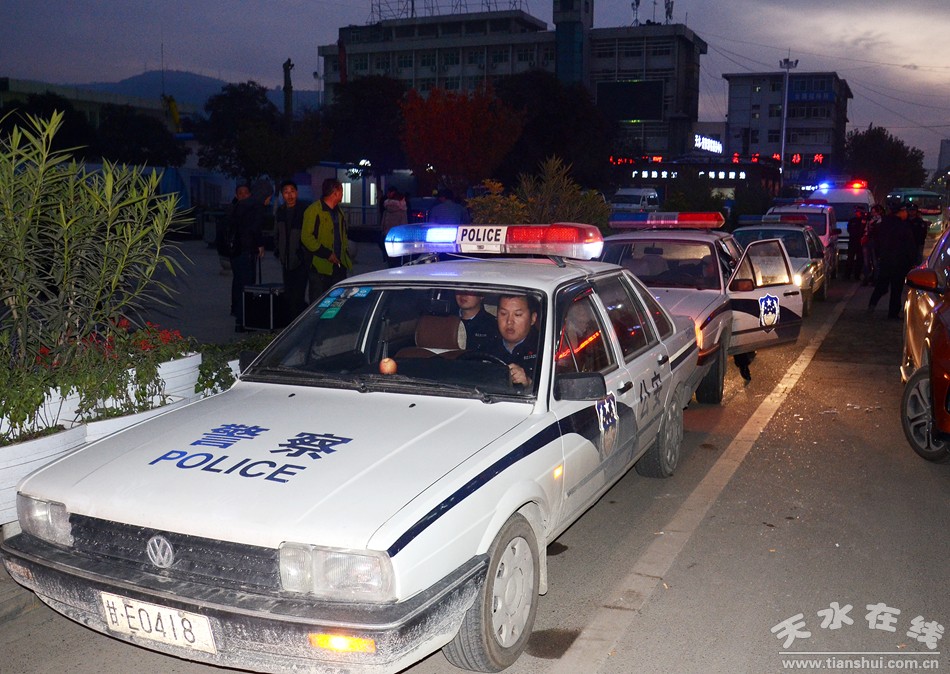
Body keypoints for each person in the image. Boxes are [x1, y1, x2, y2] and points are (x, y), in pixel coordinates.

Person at [229, 180, 271, 332]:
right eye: (269, 197)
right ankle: (243, 322)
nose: (269, 200)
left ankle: (239, 315)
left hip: (235, 250)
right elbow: (255, 229)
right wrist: (260, 245)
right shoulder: (257, 206)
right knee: (247, 285)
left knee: (239, 283)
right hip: (246, 251)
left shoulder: (241, 204)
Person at [301, 178, 351, 302]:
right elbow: (306, 237)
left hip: (338, 266)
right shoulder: (314, 210)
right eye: (341, 190)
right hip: (319, 267)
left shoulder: (339, 212)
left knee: (337, 303)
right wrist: (326, 253)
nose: (342, 193)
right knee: (319, 303)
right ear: (335, 192)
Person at [868, 200, 917, 319]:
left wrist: (880, 254)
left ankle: (872, 304)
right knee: (896, 288)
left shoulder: (884, 224)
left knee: (882, 284)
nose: (906, 214)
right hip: (900, 261)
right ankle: (893, 312)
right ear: (900, 212)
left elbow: (877, 241)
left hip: (886, 260)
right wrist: (912, 261)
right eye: (905, 211)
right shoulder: (903, 226)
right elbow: (909, 245)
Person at [274, 180, 311, 318]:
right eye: (286, 192)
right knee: (289, 293)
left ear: (297, 193)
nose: (289, 195)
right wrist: (278, 250)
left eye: (292, 191)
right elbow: (276, 233)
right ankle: (291, 320)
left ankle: (297, 320)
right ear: (282, 195)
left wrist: (303, 253)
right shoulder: (281, 211)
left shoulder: (304, 210)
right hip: (286, 260)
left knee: (298, 294)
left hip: (300, 260)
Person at [486, 294, 540, 388]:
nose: (509, 321)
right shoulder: (486, 343)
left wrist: (529, 383)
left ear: (533, 318)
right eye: (503, 313)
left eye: (517, 314)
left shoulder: (545, 348)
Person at [379, 187, 407, 267]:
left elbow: (383, 222)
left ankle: (389, 264)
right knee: (397, 254)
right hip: (398, 234)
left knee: (388, 252)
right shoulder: (402, 209)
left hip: (387, 233)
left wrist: (382, 230)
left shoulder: (386, 209)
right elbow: (404, 222)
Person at [861, 204, 884, 286]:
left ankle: (875, 279)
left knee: (875, 261)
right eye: (872, 212)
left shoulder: (881, 221)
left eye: (874, 212)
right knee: (866, 261)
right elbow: (863, 229)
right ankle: (866, 278)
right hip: (867, 241)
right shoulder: (869, 220)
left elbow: (880, 232)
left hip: (875, 243)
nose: (873, 214)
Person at [846, 206, 867, 281]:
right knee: (850, 259)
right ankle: (847, 275)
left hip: (860, 242)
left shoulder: (864, 221)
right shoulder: (852, 220)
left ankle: (857, 275)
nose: (856, 213)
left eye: (857, 211)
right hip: (852, 241)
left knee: (859, 259)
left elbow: (864, 230)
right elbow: (849, 229)